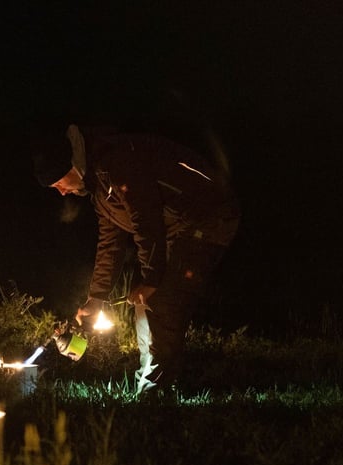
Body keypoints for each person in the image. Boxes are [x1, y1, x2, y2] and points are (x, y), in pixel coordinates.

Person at [33, 123, 240, 392]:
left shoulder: (116, 161)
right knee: (145, 298)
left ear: (72, 165)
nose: (61, 191)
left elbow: (146, 218)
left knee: (160, 298)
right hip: (179, 227)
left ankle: (155, 392)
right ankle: (150, 382)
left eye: (59, 182)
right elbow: (110, 243)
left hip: (207, 216)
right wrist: (95, 298)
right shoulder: (99, 189)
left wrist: (152, 278)